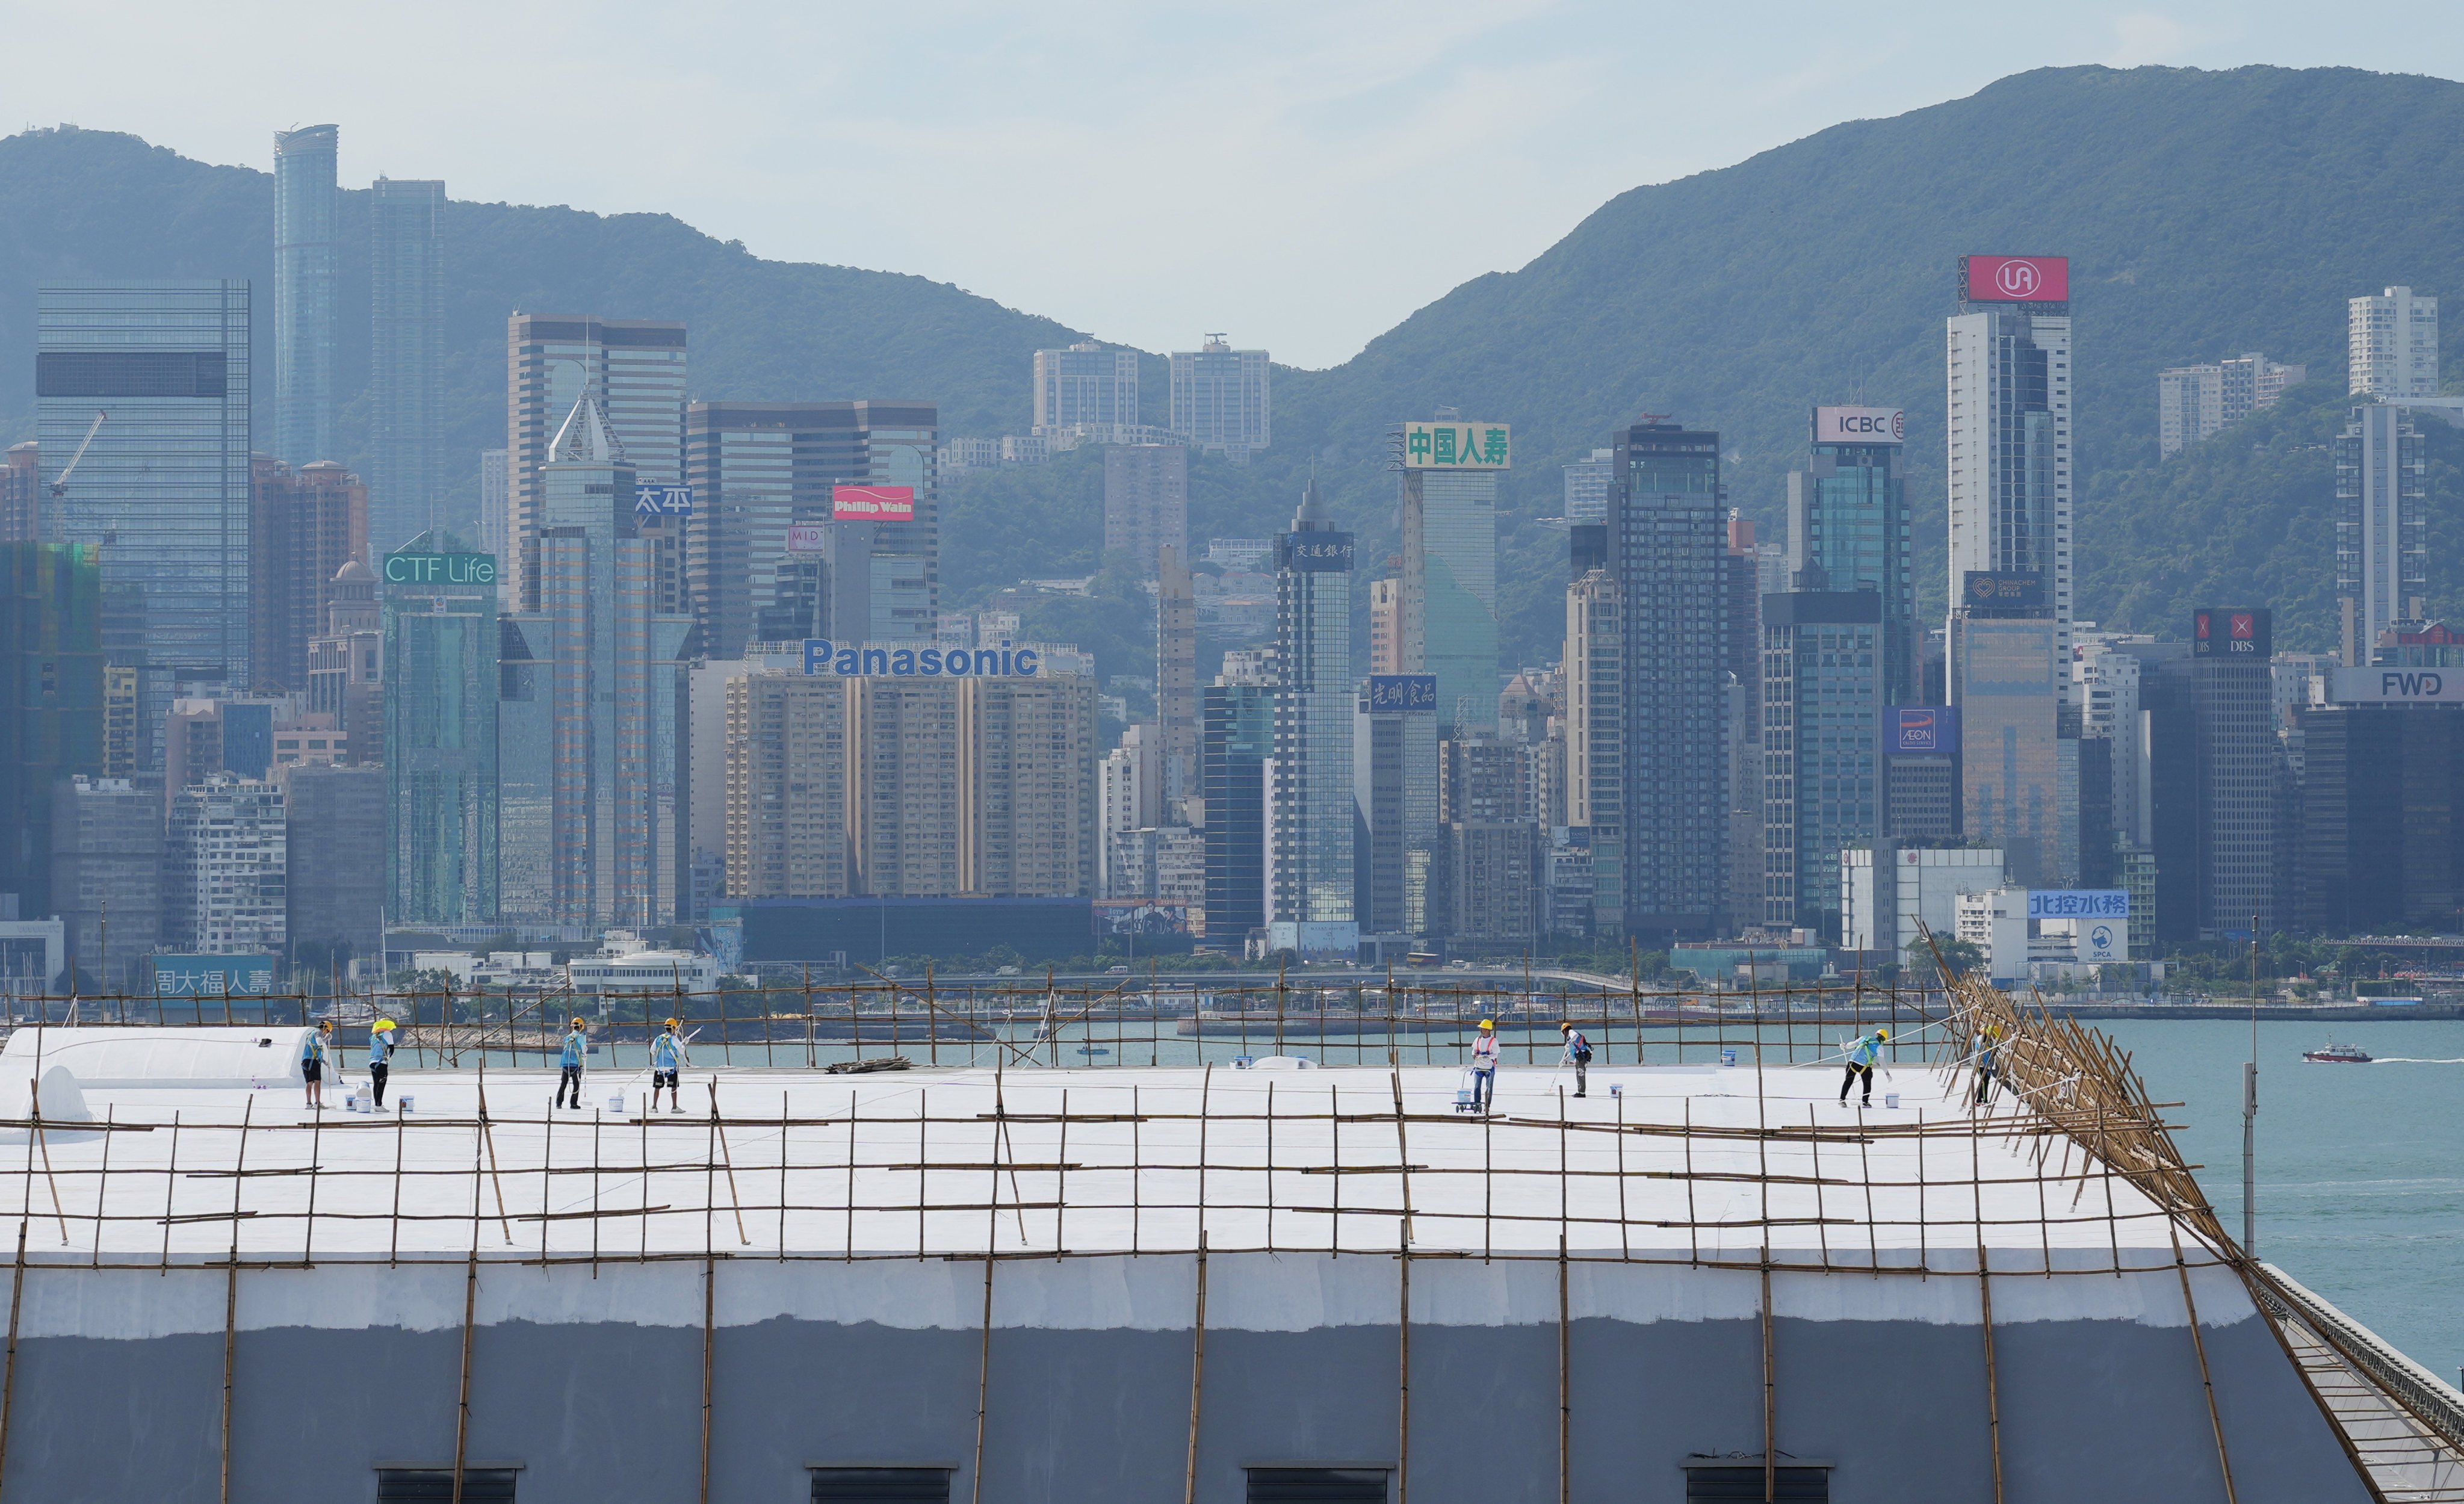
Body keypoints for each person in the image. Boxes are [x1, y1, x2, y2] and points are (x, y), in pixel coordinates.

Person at [1839, 1026, 1887, 1107]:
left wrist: (1845, 1046)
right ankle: (1865, 1102)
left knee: (1848, 1081)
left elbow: (1852, 1044)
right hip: (1863, 1066)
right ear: (1883, 1039)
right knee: (1867, 1083)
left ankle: (1842, 1100)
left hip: (1852, 1062)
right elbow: (1882, 1063)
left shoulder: (1864, 1038)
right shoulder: (1880, 1047)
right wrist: (1887, 1074)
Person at [649, 1019, 689, 1113]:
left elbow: (652, 1051)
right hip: (671, 1068)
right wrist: (684, 1044)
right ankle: (674, 1107)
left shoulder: (659, 1038)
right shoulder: (674, 1039)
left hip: (660, 1068)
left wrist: (660, 1056)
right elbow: (682, 1051)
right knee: (673, 1088)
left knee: (657, 1088)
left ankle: (654, 1107)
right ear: (674, 1028)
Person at [554, 1018, 588, 1110]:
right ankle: (573, 1104)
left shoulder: (567, 1038)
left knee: (563, 1084)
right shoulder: (581, 1037)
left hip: (565, 1064)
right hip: (575, 1065)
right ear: (581, 1027)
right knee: (576, 1085)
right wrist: (584, 1057)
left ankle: (559, 1103)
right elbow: (584, 1049)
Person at [1469, 1018, 1500, 1115]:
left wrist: (1486, 1057)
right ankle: (1477, 1104)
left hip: (1489, 1068)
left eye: (1482, 1029)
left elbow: (1495, 1054)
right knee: (1477, 1087)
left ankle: (1487, 1105)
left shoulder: (1494, 1041)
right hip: (1478, 1067)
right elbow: (1474, 1050)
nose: (1481, 1030)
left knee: (1489, 1088)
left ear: (1487, 1030)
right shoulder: (1477, 1040)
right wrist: (1474, 1055)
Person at [302, 1019, 333, 1110]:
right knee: (317, 1082)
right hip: (313, 1062)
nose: (325, 1033)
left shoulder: (310, 1035)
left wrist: (324, 1062)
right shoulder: (318, 1032)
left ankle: (308, 1104)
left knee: (309, 1083)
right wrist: (327, 1038)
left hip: (306, 1061)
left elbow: (315, 1050)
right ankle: (317, 1103)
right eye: (327, 1031)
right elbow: (320, 1042)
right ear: (325, 1028)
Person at [367, 1018, 397, 1110]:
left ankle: (377, 1104)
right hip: (381, 1062)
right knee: (382, 1083)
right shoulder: (387, 1034)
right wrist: (389, 1059)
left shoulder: (373, 1036)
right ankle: (379, 1105)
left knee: (376, 1083)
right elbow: (392, 1049)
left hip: (372, 1062)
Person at [1559, 1020, 1593, 1099]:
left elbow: (1576, 1035)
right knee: (1578, 1074)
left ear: (1565, 1030)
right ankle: (1580, 1091)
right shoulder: (1571, 1040)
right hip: (1579, 1058)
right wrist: (1564, 1060)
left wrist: (1568, 1043)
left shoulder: (1571, 1032)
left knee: (1581, 1074)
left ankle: (1582, 1093)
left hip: (1581, 1057)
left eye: (1563, 1032)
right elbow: (1572, 1052)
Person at [1974, 1024, 2001, 1107]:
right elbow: (1983, 1046)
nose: (1993, 1036)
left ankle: (1978, 1100)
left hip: (1987, 1064)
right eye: (1993, 1034)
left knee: (1985, 1082)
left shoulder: (1991, 1041)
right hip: (1980, 1064)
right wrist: (1992, 1048)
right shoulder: (1981, 1038)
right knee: (1984, 1082)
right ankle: (1984, 1101)